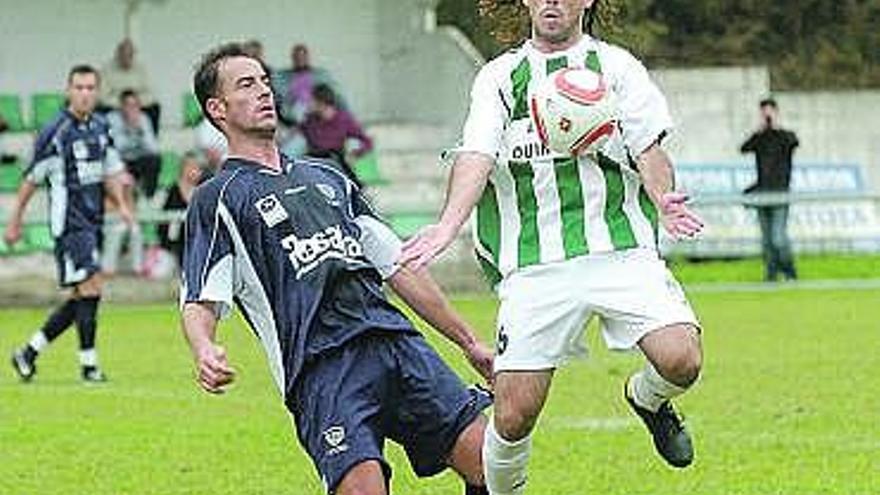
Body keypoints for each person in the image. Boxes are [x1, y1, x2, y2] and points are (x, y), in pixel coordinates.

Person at [399, 1, 705, 492]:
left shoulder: (617, 68)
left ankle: (647, 398)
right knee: (514, 414)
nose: (551, 1)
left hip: (619, 247)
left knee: (681, 358)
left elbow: (649, 149)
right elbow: (476, 155)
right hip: (533, 264)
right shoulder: (501, 77)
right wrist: (447, 225)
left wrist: (662, 198)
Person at [181, 43, 493, 495]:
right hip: (323, 368)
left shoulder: (328, 176)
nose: (265, 92)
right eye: (247, 85)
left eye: (266, 82)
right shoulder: (219, 197)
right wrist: (203, 347)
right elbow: (200, 296)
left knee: (492, 467)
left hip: (395, 342)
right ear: (217, 108)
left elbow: (399, 266)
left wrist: (468, 341)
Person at [6, 64, 133, 383]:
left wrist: (123, 206)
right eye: (79, 87)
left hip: (94, 223)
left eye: (91, 88)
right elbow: (31, 179)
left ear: (98, 91)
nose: (85, 94)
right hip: (70, 226)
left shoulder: (101, 127)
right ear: (68, 91)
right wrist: (15, 220)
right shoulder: (56, 132)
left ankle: (28, 352)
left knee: (83, 295)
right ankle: (89, 366)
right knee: (91, 287)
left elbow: (111, 170)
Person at [740, 98, 799, 282]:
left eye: (769, 111)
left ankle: (790, 272)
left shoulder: (785, 136)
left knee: (778, 238)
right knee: (766, 240)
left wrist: (776, 125)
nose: (766, 116)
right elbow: (744, 148)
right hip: (761, 193)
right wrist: (759, 130)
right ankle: (771, 275)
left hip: (780, 193)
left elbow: (794, 142)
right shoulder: (760, 138)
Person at [301, 84, 373, 186]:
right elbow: (298, 137)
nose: (309, 104)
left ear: (321, 103)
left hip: (336, 159)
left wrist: (356, 153)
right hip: (314, 160)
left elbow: (367, 141)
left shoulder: (343, 119)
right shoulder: (310, 120)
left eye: (312, 101)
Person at [274, 43, 346, 125]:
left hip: (317, 111)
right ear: (292, 58)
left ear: (308, 57)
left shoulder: (321, 74)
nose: (300, 59)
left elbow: (337, 94)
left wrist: (347, 117)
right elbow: (278, 96)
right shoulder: (283, 76)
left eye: (303, 56)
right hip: (293, 113)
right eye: (297, 57)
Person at [107, 89, 161, 198]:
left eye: (135, 105)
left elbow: (153, 148)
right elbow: (117, 146)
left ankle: (149, 198)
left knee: (154, 160)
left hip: (138, 159)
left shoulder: (143, 119)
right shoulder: (112, 118)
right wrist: (130, 129)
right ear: (121, 106)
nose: (132, 109)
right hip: (120, 160)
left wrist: (138, 130)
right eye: (128, 105)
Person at [100, 39, 161, 133]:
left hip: (137, 103)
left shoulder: (141, 69)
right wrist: (123, 105)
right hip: (115, 104)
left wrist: (135, 104)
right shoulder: (107, 69)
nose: (126, 58)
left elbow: (150, 93)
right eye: (123, 55)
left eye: (130, 55)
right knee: (100, 111)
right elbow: (102, 96)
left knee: (155, 108)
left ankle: (152, 138)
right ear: (117, 54)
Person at [157, 151, 202, 267]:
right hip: (174, 241)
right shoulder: (173, 190)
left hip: (196, 242)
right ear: (183, 168)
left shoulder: (203, 190)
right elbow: (164, 219)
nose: (194, 171)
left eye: (197, 168)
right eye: (191, 167)